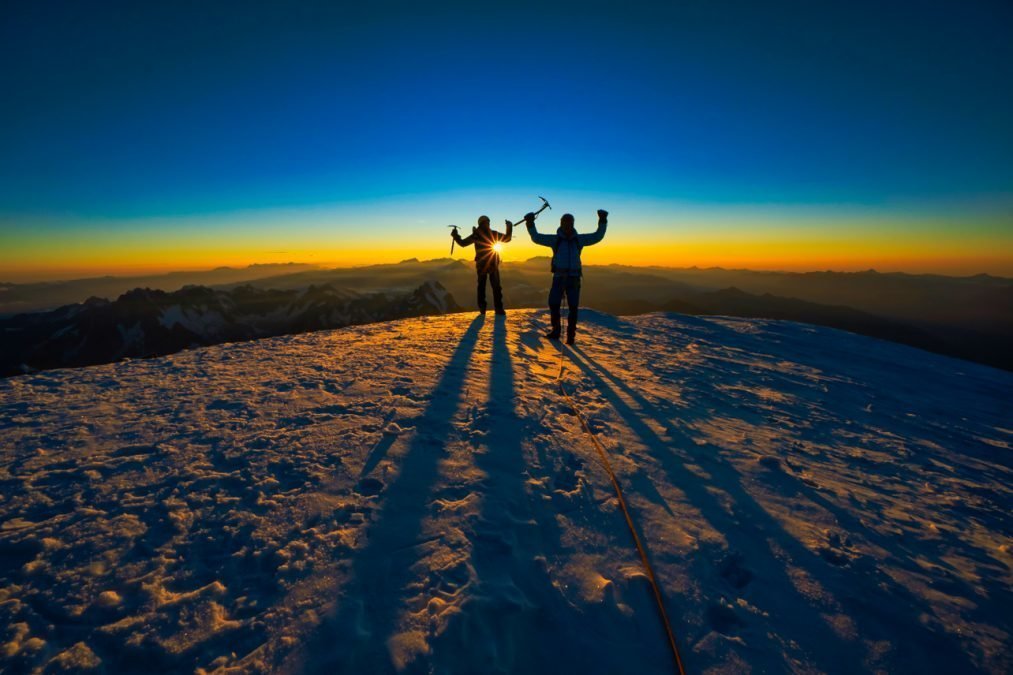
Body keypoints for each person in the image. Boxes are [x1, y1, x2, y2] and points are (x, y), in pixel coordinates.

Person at [524, 209, 608, 344]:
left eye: (570, 223)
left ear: (572, 224)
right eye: (566, 223)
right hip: (565, 277)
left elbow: (598, 236)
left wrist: (603, 220)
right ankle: (559, 332)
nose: (568, 225)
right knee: (555, 304)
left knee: (571, 307)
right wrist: (530, 223)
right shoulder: (562, 239)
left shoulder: (574, 239)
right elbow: (537, 237)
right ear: (562, 224)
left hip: (568, 278)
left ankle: (569, 336)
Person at [452, 215, 513, 315]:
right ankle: (499, 309)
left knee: (481, 287)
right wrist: (509, 227)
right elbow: (507, 239)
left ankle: (482, 309)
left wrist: (455, 235)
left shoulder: (476, 235)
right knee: (496, 287)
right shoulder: (493, 234)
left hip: (481, 265)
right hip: (493, 263)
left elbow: (462, 243)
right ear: (487, 222)